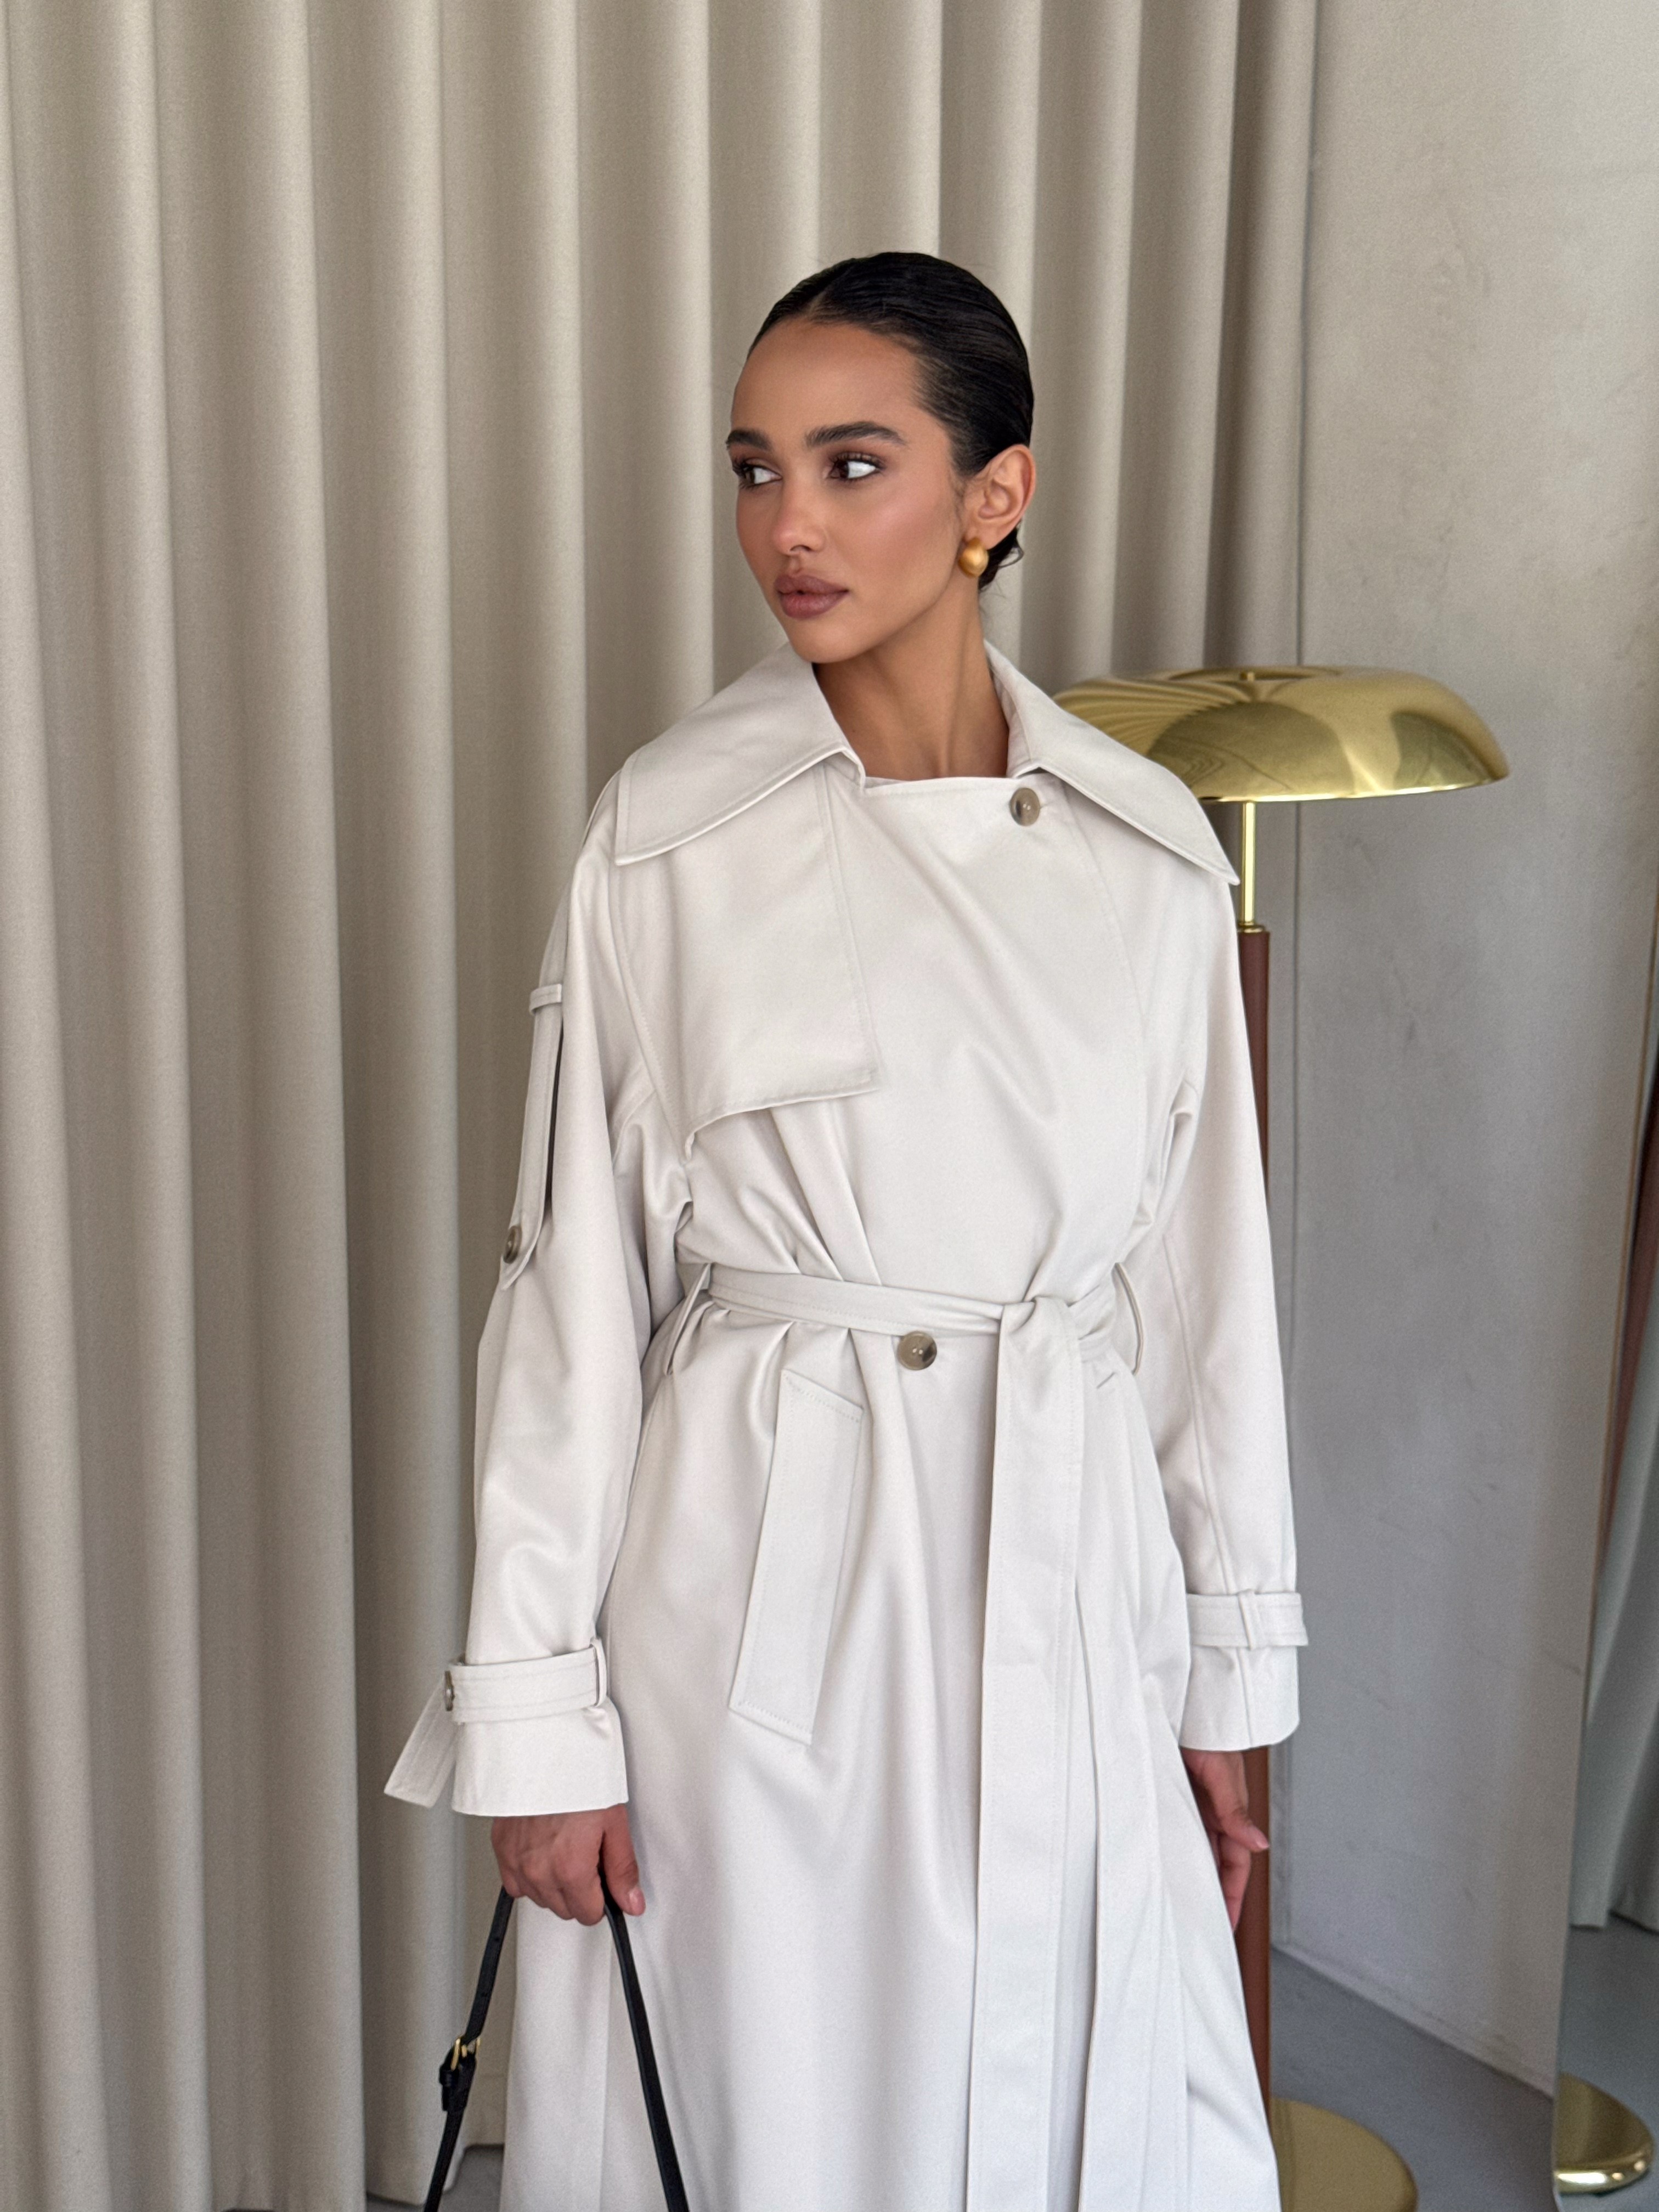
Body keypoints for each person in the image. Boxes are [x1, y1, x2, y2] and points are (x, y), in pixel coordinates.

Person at [390, 250, 1305, 2212]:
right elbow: (568, 1303)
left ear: (998, 493)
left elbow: (1205, 1301)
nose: (785, 525)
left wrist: (1227, 1682)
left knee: (1089, 2098)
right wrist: (536, 1726)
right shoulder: (671, 838)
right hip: (764, 1604)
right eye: (754, 468)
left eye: (851, 463)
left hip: (1072, 1573)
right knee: (779, 2104)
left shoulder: (1148, 849)